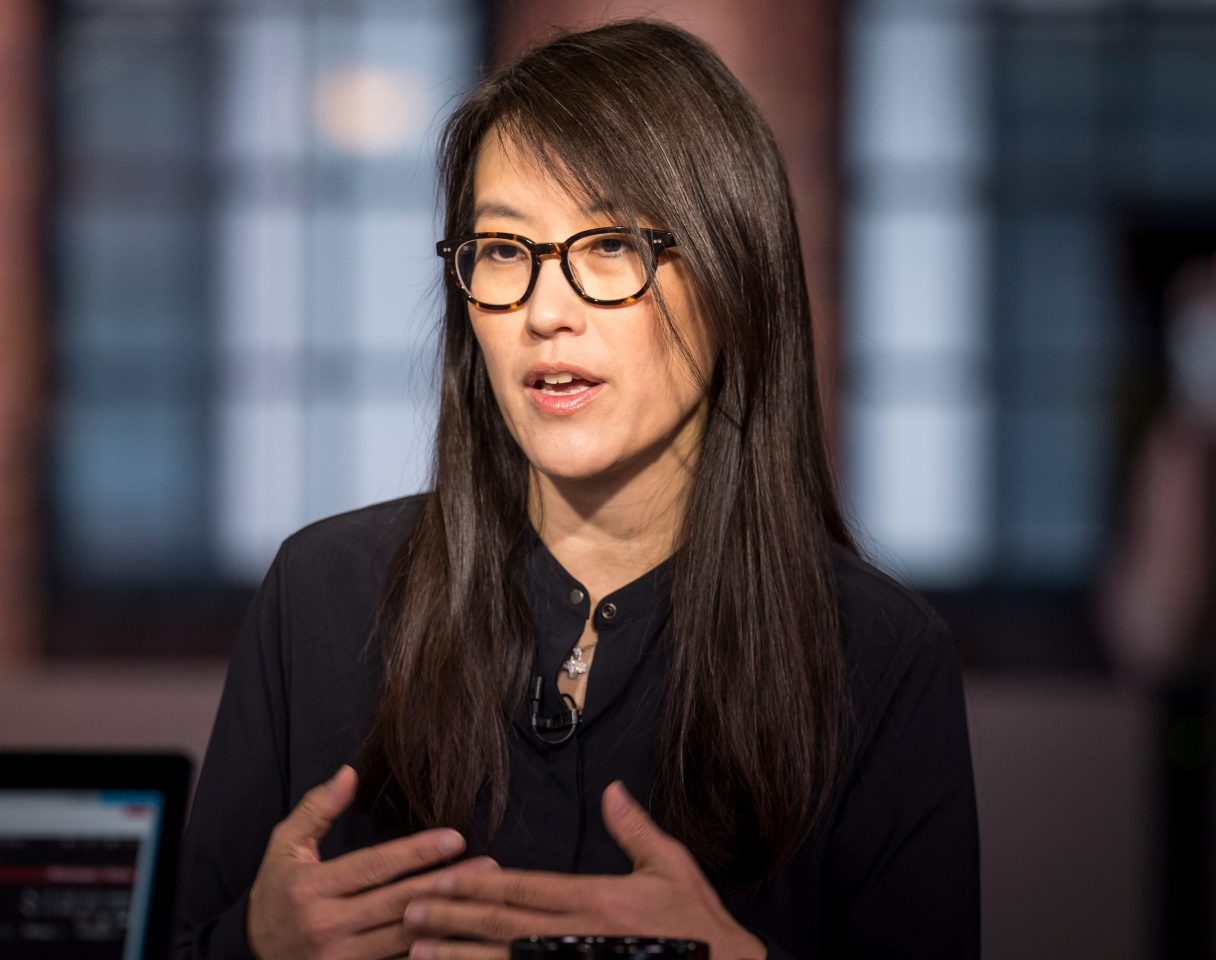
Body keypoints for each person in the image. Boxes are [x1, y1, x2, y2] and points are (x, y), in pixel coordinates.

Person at [173, 19, 979, 960]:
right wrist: (252, 944)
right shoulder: (321, 596)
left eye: (610, 246)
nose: (545, 311)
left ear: (733, 274)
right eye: (503, 250)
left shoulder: (877, 658)